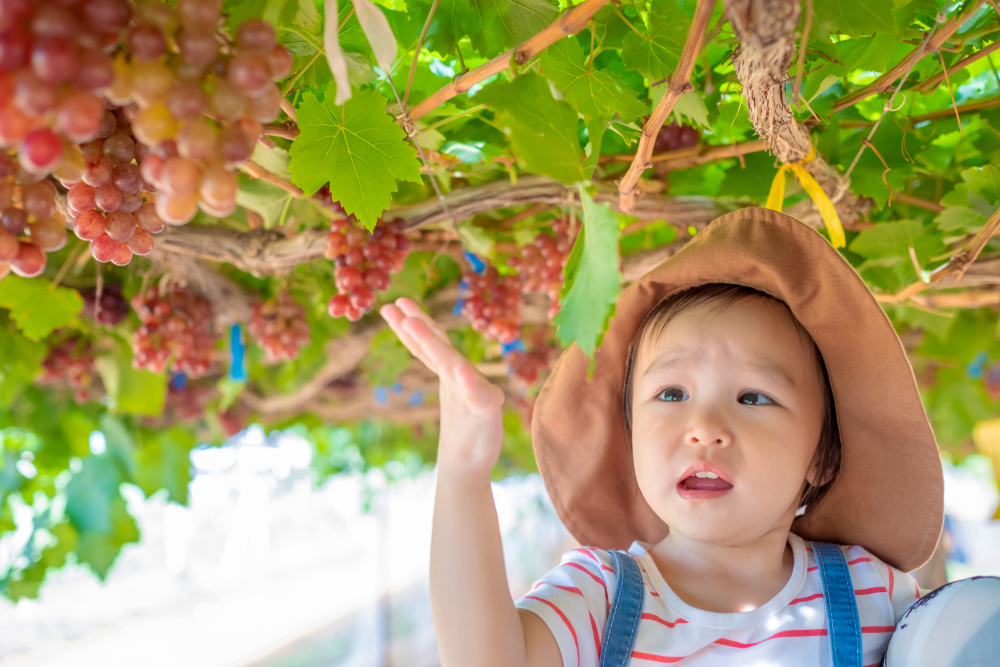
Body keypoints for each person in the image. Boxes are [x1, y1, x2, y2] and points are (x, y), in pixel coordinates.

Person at [379, 207, 1000, 667]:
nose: (704, 428)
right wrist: (462, 472)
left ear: (821, 456)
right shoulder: (603, 594)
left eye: (754, 397)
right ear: (631, 441)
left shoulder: (873, 594)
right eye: (670, 395)